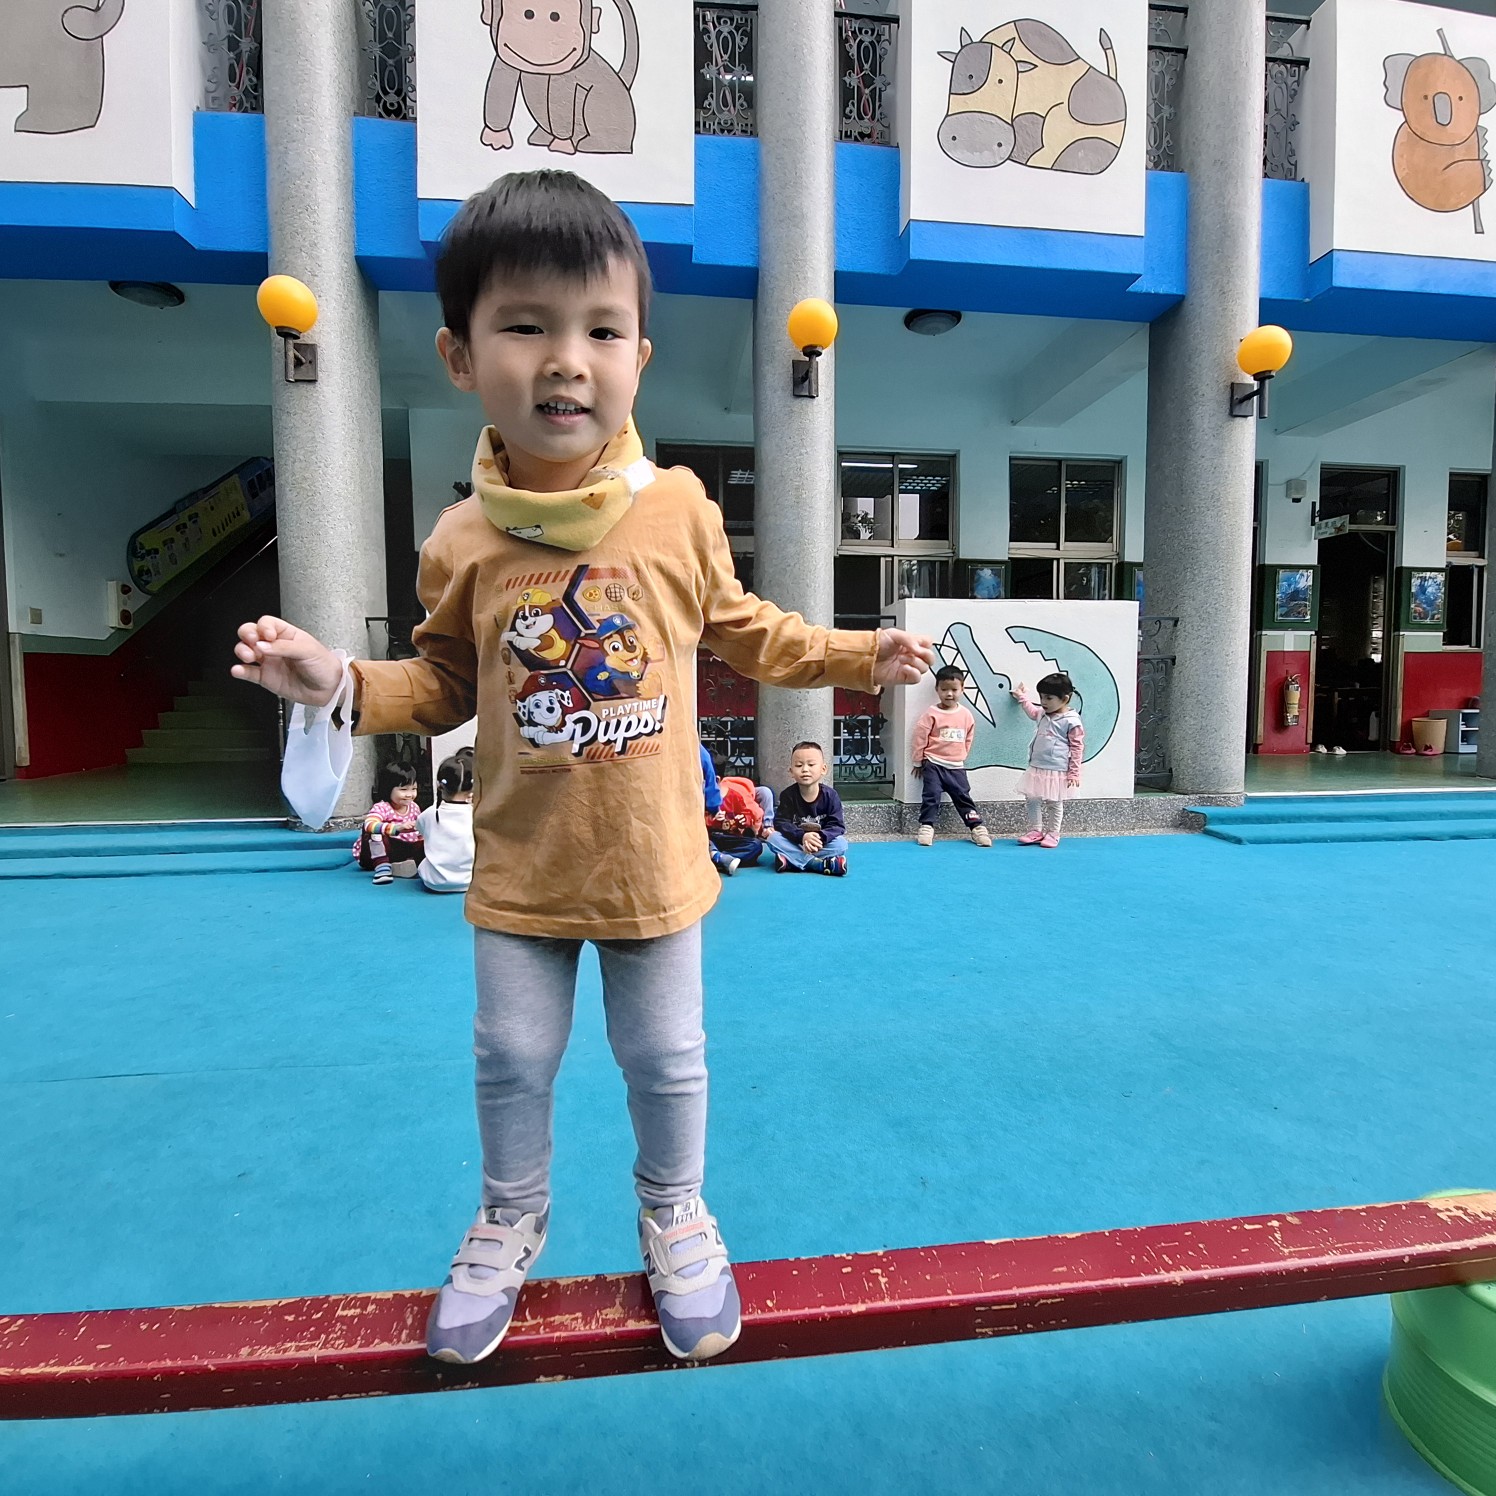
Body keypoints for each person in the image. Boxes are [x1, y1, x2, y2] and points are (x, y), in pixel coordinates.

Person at [231, 169, 933, 1368]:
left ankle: (675, 1211)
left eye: (601, 331)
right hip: (523, 866)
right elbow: (441, 684)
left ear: (639, 358)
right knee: (510, 1055)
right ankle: (510, 1214)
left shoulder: (676, 508)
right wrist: (337, 680)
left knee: (665, 1059)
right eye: (526, 326)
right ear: (460, 356)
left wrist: (861, 653)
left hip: (652, 861)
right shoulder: (460, 538)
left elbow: (746, 630)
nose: (567, 361)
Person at [910, 664, 992, 849]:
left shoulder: (966, 715)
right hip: (933, 764)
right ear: (937, 689)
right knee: (931, 795)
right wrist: (918, 761)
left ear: (962, 689)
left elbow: (968, 738)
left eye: (954, 690)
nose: (949, 694)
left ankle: (976, 827)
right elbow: (920, 737)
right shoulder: (931, 714)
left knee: (963, 796)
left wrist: (961, 756)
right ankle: (927, 826)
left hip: (956, 767)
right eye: (944, 689)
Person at [1010, 672, 1084, 848]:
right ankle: (1035, 830)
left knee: (1054, 802)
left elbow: (1077, 748)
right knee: (1032, 798)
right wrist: (1022, 697)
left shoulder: (1071, 721)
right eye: (1042, 697)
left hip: (1056, 769)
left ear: (1065, 699)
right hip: (1037, 766)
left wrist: (1074, 773)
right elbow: (1032, 712)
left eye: (1049, 698)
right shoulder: (1043, 713)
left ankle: (1053, 833)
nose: (1043, 702)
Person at [767, 742, 850, 875]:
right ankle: (817, 864)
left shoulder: (831, 795)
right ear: (791, 771)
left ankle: (792, 860)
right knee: (773, 839)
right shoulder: (788, 795)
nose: (805, 769)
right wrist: (802, 837)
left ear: (823, 769)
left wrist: (819, 838)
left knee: (841, 844)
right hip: (797, 842)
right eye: (799, 765)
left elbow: (837, 826)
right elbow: (781, 823)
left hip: (819, 843)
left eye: (811, 765)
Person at [417, 748, 476, 894]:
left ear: (440, 785)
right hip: (470, 881)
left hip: (433, 882)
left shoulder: (430, 813)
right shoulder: (477, 814)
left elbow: (420, 830)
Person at [356, 760, 424, 885]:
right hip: (373, 855)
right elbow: (369, 825)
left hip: (402, 850)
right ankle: (382, 867)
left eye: (413, 789)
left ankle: (400, 867)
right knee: (374, 831)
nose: (409, 794)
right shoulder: (382, 807)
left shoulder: (414, 807)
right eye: (403, 789)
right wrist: (397, 828)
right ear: (388, 789)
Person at [706, 755, 767, 874]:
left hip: (730, 838)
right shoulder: (700, 798)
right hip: (709, 838)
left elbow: (748, 814)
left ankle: (719, 858)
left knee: (756, 845)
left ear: (717, 780)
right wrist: (711, 820)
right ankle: (718, 858)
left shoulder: (734, 796)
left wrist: (744, 820)